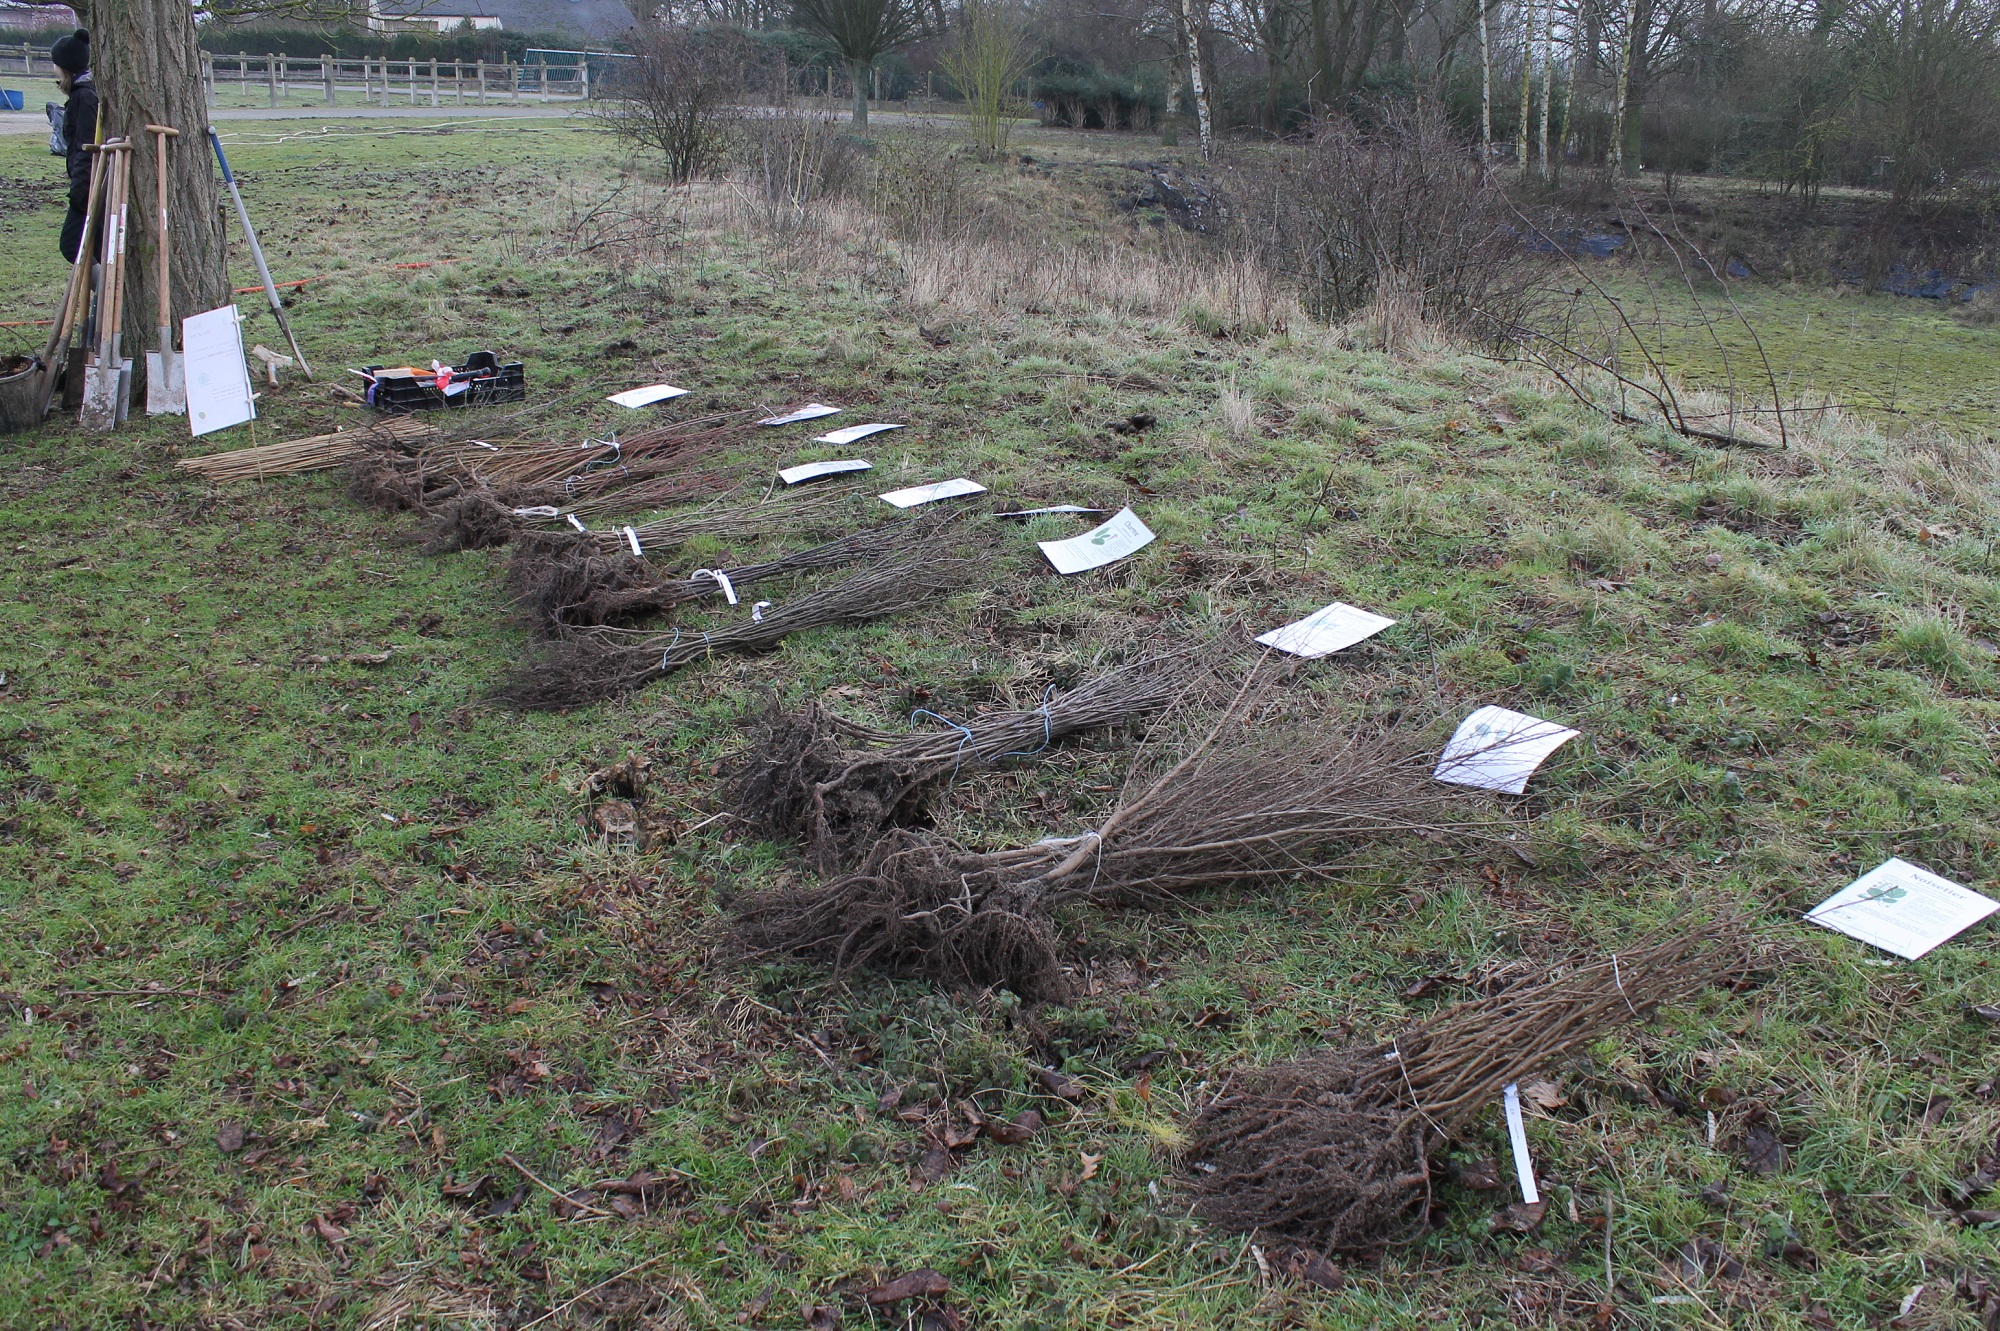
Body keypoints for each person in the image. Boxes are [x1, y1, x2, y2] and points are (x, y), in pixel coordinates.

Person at [51, 29, 96, 263]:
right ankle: (103, 296)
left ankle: (105, 292)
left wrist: (80, 192)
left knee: (71, 245)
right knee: (92, 247)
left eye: (56, 65)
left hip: (90, 187)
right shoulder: (79, 94)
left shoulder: (85, 98)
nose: (54, 70)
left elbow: (86, 148)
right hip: (86, 185)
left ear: (64, 67)